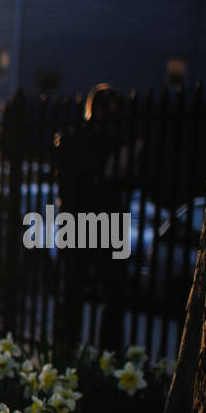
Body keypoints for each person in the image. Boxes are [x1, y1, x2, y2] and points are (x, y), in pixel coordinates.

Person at [53, 84, 137, 353]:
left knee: (80, 296)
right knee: (94, 296)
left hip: (87, 223)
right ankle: (100, 356)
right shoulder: (90, 141)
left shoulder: (79, 140)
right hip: (93, 222)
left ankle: (72, 353)